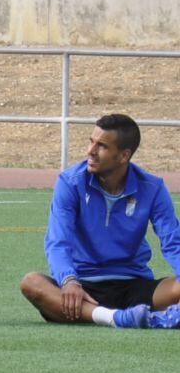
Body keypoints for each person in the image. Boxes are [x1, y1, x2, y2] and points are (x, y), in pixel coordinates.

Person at [20, 114, 180, 329]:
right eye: (91, 141)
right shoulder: (71, 182)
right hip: (82, 289)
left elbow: (173, 242)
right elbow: (58, 241)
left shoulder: (152, 187)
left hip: (134, 285)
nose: (90, 151)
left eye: (102, 146)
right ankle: (116, 318)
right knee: (31, 283)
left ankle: (110, 316)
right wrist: (69, 280)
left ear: (123, 156)